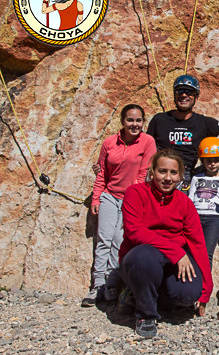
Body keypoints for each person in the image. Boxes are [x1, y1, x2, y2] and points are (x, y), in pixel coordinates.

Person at [119, 149, 213, 338]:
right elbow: (135, 231)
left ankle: (141, 296)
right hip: (141, 257)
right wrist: (176, 252)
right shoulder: (135, 193)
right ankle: (146, 315)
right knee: (145, 257)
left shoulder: (185, 203)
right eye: (162, 171)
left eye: (173, 172)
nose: (168, 178)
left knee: (188, 294)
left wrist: (206, 289)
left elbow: (197, 244)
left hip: (172, 261)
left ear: (180, 176)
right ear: (152, 172)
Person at [82, 104, 156, 307]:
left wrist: (135, 198)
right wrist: (96, 198)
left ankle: (112, 282)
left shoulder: (147, 142)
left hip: (132, 198)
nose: (135, 124)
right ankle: (97, 285)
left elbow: (144, 174)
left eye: (138, 120)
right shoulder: (109, 142)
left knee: (119, 240)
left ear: (143, 122)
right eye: (130, 120)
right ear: (123, 121)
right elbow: (103, 173)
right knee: (104, 238)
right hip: (109, 196)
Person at [188, 137, 219, 269]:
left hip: (214, 219)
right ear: (202, 161)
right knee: (191, 252)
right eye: (209, 160)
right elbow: (190, 199)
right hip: (196, 217)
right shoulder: (196, 178)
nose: (213, 164)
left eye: (216, 160)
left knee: (207, 254)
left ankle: (205, 286)